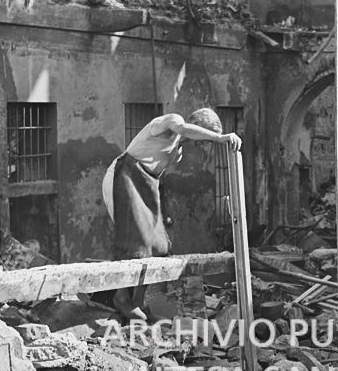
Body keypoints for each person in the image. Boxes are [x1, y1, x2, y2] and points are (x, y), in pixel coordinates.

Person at [102, 108, 241, 316]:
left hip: (146, 185)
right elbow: (183, 128)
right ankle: (121, 297)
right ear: (199, 126)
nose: (202, 144)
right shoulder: (173, 121)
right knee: (136, 239)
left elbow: (154, 173)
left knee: (159, 245)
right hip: (124, 178)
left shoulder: (177, 147)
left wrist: (170, 161)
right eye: (204, 137)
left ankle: (138, 301)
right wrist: (220, 138)